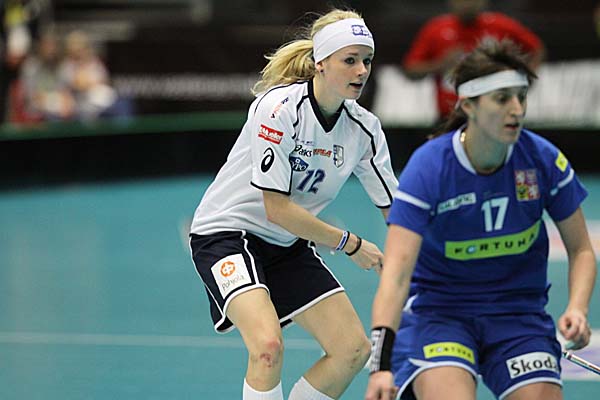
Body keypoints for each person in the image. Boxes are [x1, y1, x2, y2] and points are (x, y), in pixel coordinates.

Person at [366, 39, 596, 400]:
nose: (516, 109)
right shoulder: (429, 167)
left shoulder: (542, 160)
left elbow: (581, 249)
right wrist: (381, 366)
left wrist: (578, 308)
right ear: (469, 105)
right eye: (502, 99)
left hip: (518, 317)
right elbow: (396, 274)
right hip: (440, 315)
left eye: (521, 96)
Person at [189, 8, 398, 400]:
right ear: (321, 62)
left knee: (353, 350)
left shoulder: (364, 129)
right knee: (267, 346)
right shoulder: (279, 109)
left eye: (367, 61)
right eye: (349, 60)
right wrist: (350, 243)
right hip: (226, 234)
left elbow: (397, 213)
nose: (361, 71)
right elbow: (277, 208)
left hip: (285, 244)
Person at [402, 0, 545, 121]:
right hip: (449, 115)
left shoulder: (500, 25)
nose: (468, 4)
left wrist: (526, 77)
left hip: (494, 115)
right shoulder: (436, 29)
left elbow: (537, 48)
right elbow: (410, 70)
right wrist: (440, 64)